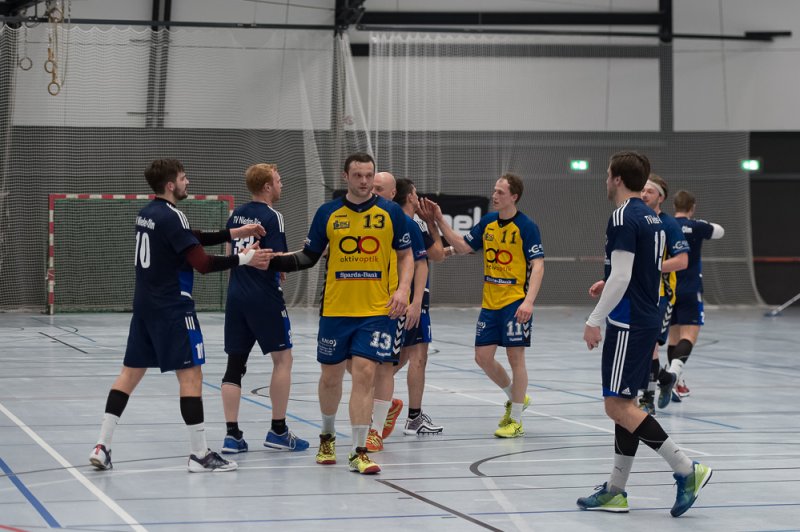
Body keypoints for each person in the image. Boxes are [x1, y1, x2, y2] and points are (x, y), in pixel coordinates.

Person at [89, 159, 271, 473]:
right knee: (191, 377)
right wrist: (245, 259)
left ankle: (102, 445)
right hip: (173, 308)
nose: (188, 182)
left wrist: (233, 233)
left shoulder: (147, 214)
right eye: (184, 178)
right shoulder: (173, 216)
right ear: (171, 185)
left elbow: (187, 236)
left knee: (128, 375)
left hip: (144, 308)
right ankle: (199, 454)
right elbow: (202, 264)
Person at [578, 151, 711, 516]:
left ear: (617, 179)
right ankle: (616, 490)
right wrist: (608, 282)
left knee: (616, 406)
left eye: (608, 174)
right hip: (645, 317)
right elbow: (636, 272)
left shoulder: (623, 216)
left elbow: (623, 276)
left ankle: (687, 469)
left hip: (628, 322)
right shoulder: (652, 218)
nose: (606, 180)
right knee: (626, 406)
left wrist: (594, 319)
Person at [267, 153, 413, 474]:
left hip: (376, 311)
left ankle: (359, 451)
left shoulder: (390, 212)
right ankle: (327, 436)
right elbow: (308, 256)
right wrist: (273, 261)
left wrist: (403, 290)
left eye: (369, 175)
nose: (364, 181)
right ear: (345, 176)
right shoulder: (328, 213)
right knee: (331, 378)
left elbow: (406, 256)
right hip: (336, 309)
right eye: (358, 175)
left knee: (365, 374)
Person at [421, 173, 544, 438]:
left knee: (516, 358)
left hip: (515, 302)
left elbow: (538, 265)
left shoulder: (526, 226)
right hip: (490, 302)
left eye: (500, 192)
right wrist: (440, 220)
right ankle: (516, 397)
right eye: (494, 190)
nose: (494, 195)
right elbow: (463, 246)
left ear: (514, 197)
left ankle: (516, 420)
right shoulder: (488, 222)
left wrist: (529, 301)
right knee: (482, 357)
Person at [219, 163, 309, 455]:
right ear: (268, 186)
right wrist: (305, 255)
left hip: (236, 295)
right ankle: (278, 431)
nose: (282, 185)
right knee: (283, 360)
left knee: (234, 365)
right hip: (264, 297)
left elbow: (230, 253)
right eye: (279, 181)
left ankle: (232, 436)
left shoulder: (236, 214)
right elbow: (277, 257)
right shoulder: (273, 216)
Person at [367, 177, 446, 452]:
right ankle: (406, 414)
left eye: (377, 187)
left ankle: (387, 408)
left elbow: (431, 256)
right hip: (403, 299)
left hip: (404, 298)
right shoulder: (405, 222)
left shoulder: (410, 223)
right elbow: (431, 258)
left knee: (401, 357)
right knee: (411, 357)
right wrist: (414, 302)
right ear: (409, 196)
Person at [637, 174, 688, 413]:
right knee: (641, 346)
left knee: (650, 346)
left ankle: (647, 399)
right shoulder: (637, 221)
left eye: (650, 191)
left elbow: (682, 260)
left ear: (661, 197)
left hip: (661, 295)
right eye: (642, 190)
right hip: (639, 293)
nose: (644, 194)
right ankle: (665, 379)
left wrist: (653, 267)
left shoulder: (669, 225)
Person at [667, 190, 725, 399]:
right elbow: (720, 231)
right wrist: (698, 224)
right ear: (692, 207)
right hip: (691, 289)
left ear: (674, 205)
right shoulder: (697, 226)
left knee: (673, 338)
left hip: (669, 289)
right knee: (689, 337)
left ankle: (676, 384)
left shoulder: (667, 225)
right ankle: (673, 375)